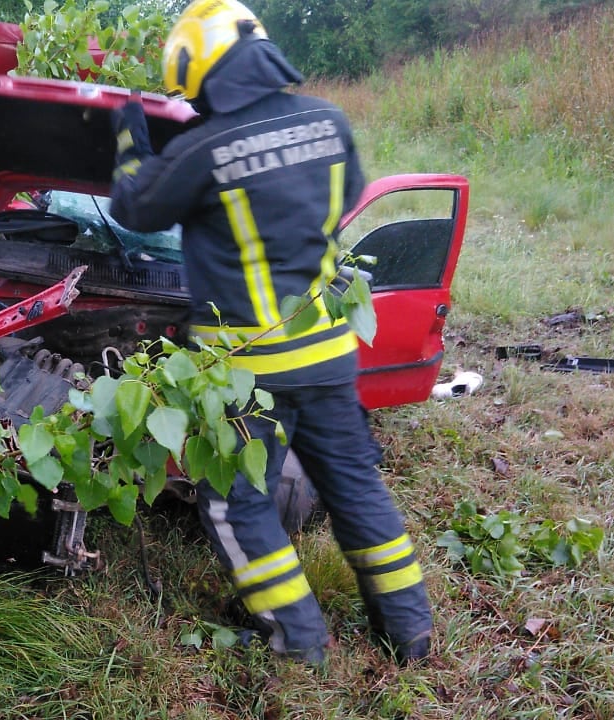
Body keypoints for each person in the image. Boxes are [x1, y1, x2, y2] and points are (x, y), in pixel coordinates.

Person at [107, 0, 432, 665]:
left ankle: (298, 642)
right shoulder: (330, 120)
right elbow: (342, 206)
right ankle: (410, 633)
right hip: (329, 353)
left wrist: (129, 141)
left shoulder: (205, 146)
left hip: (249, 368)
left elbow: (137, 207)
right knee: (355, 488)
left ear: (203, 69)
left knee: (237, 507)